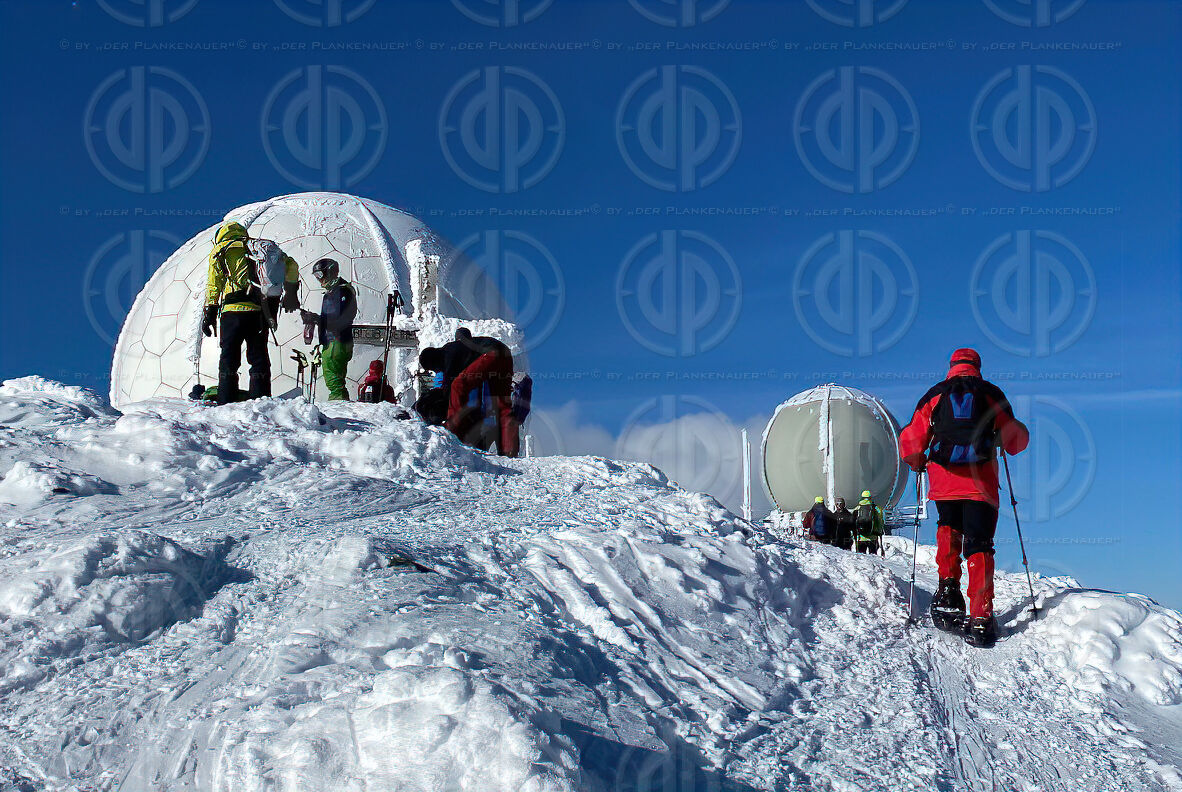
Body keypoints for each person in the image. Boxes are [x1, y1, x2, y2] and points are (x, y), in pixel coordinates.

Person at [900, 348, 1029, 647]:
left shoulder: (934, 395)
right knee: (980, 543)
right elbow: (1016, 442)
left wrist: (916, 460)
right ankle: (981, 617)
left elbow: (911, 440)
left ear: (952, 367)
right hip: (981, 486)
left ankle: (948, 587)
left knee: (948, 527)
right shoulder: (991, 394)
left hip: (943, 482)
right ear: (977, 367)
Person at [202, 221, 299, 404]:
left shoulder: (221, 250)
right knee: (258, 356)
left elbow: (214, 285)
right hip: (258, 312)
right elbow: (291, 265)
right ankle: (261, 399)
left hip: (232, 313)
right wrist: (291, 292)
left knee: (229, 357)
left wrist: (210, 313)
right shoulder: (259, 249)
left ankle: (226, 398)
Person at [446, 329, 519, 458]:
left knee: (457, 385)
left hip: (492, 355)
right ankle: (509, 452)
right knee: (503, 406)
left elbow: (460, 377)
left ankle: (452, 433)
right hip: (506, 356)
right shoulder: (478, 343)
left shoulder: (461, 345)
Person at [301, 258, 356, 401]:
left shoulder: (341, 291)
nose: (319, 280)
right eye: (316, 277)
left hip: (336, 341)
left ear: (330, 272)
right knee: (336, 380)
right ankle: (340, 405)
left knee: (334, 382)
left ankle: (338, 407)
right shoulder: (335, 291)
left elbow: (340, 320)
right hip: (335, 341)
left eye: (320, 275)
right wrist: (315, 318)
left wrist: (317, 320)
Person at [854, 490, 886, 555]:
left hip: (861, 537)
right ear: (870, 497)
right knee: (873, 557)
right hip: (873, 537)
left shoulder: (857, 508)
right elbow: (880, 521)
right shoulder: (876, 508)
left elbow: (853, 521)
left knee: (861, 557)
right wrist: (879, 531)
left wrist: (855, 533)